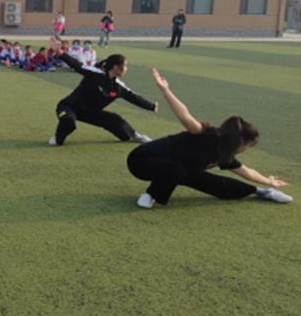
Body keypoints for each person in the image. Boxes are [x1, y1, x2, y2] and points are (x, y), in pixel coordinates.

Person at [128, 68, 292, 208]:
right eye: (249, 145)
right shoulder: (205, 134)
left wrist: (268, 182)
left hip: (177, 168)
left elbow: (246, 171)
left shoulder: (224, 154)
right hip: (141, 160)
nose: (247, 149)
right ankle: (150, 194)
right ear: (240, 142)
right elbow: (184, 115)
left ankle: (262, 192)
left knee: (213, 182)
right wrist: (165, 90)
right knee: (176, 169)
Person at [47, 36, 156, 146]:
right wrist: (58, 51)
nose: (127, 69)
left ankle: (135, 136)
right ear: (116, 67)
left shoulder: (118, 87)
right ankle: (57, 139)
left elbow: (135, 98)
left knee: (115, 120)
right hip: (69, 107)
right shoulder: (95, 73)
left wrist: (152, 106)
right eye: (125, 66)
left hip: (90, 113)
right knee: (68, 120)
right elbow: (76, 64)